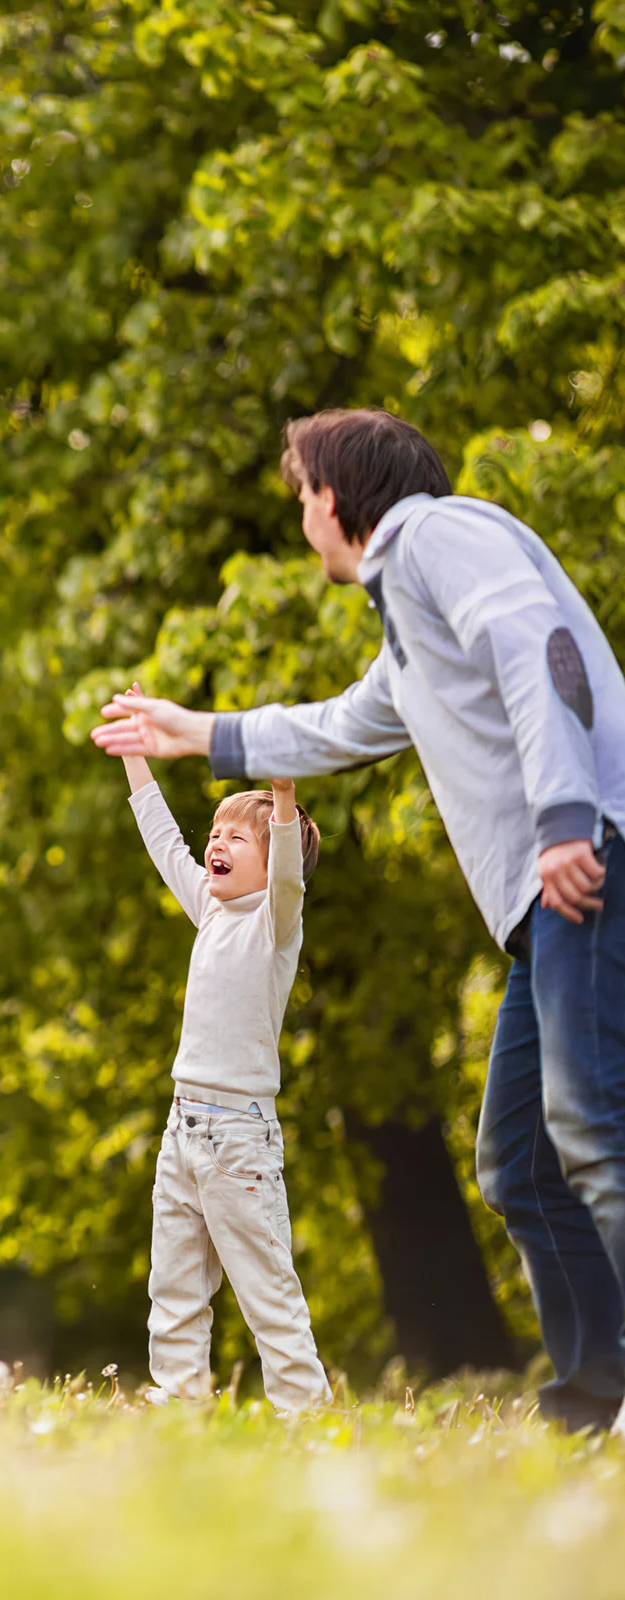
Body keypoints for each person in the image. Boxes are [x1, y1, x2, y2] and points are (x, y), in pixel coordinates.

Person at [93, 408, 625, 1434]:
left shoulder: (438, 534)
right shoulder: (410, 622)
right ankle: (593, 1403)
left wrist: (564, 814)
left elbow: (538, 643)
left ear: (332, 499)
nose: (300, 519)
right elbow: (339, 725)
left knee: (594, 1133)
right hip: (537, 905)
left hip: (586, 855)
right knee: (518, 1161)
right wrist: (191, 731)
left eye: (299, 499)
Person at [106, 699, 328, 1411]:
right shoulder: (209, 907)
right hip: (183, 1131)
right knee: (172, 1283)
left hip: (239, 1138)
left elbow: (288, 873)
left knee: (267, 1290)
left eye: (239, 836)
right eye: (218, 832)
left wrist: (285, 794)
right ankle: (179, 1404)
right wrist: (136, 757)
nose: (218, 843)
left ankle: (306, 1417)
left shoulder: (274, 925)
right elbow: (164, 840)